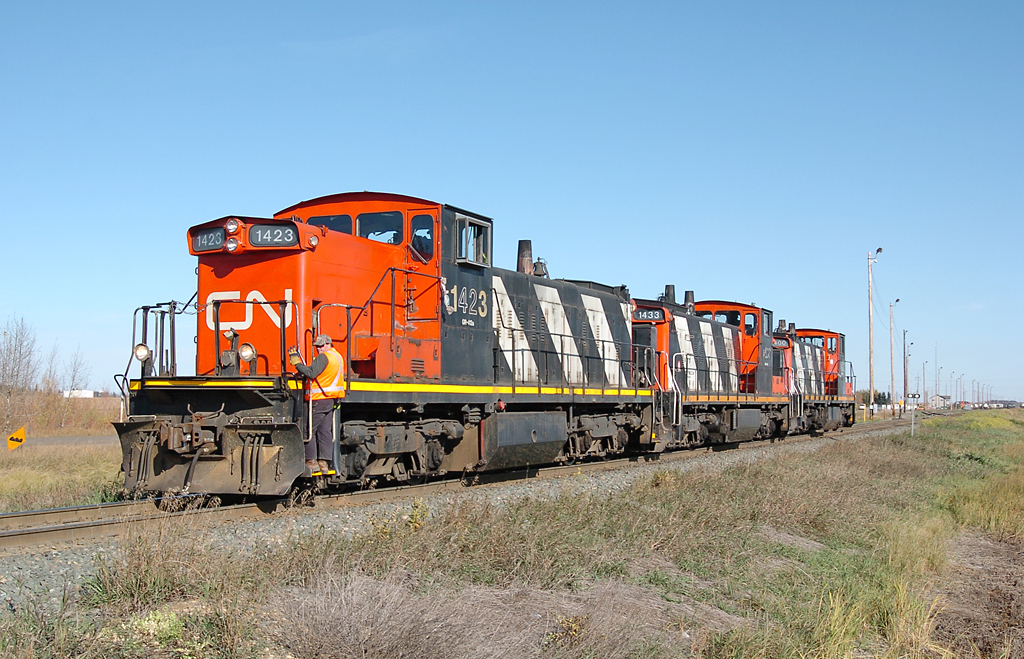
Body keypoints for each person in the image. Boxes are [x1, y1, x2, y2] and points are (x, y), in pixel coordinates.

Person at [288, 334, 345, 474]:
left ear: (328, 344)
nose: (319, 349)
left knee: (308, 430)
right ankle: (324, 462)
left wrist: (297, 363)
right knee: (325, 431)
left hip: (318, 399)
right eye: (317, 346)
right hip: (330, 400)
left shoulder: (324, 357)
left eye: (321, 346)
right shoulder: (337, 356)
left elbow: (311, 373)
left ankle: (311, 461)